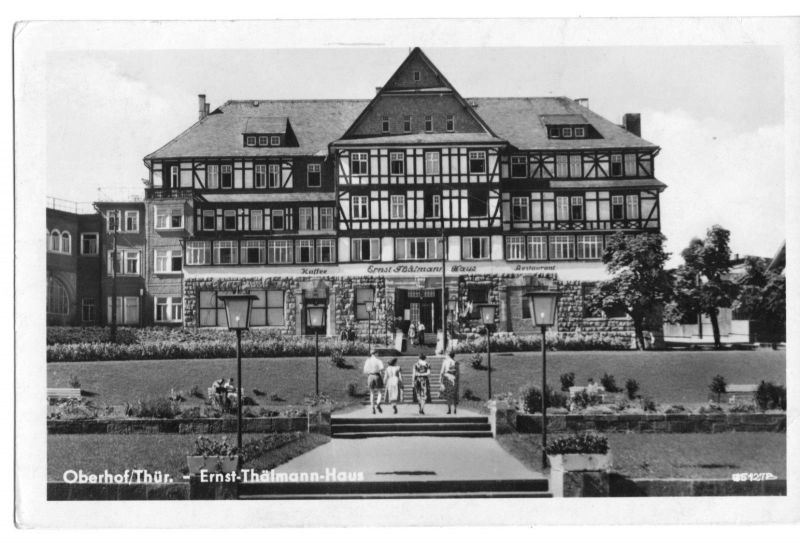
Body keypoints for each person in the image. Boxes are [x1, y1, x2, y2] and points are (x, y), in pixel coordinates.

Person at [363, 349, 385, 414]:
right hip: (377, 375)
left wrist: (369, 374)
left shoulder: (367, 360)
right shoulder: (378, 361)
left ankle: (372, 406)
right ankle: (378, 403)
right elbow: (382, 369)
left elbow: (365, 371)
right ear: (375, 353)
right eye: (377, 353)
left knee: (372, 393)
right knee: (380, 392)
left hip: (370, 376)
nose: (378, 354)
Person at [440, 350, 459, 414]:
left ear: (448, 355)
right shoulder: (456, 362)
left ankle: (449, 409)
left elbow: (442, 372)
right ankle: (455, 408)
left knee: (448, 394)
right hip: (454, 378)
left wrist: (441, 380)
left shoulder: (445, 362)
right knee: (454, 394)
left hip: (447, 378)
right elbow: (457, 373)